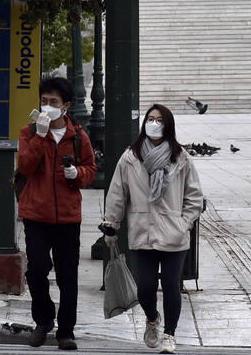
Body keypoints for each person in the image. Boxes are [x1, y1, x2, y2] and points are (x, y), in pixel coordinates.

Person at [102, 104, 203, 354]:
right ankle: (152, 318)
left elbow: (194, 197)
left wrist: (184, 223)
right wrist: (111, 225)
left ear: (168, 125)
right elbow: (117, 193)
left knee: (171, 285)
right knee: (145, 287)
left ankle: (170, 334)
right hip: (142, 232)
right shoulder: (130, 157)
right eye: (150, 119)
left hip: (174, 235)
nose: (154, 123)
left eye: (159, 120)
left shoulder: (181, 158)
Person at [17, 76, 97, 351]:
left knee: (67, 276)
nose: (47, 106)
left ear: (66, 106)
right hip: (36, 215)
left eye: (53, 102)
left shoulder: (78, 137)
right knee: (37, 269)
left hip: (67, 217)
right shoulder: (29, 133)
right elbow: (25, 167)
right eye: (44, 101)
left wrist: (78, 174)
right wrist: (40, 136)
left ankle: (66, 330)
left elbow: (91, 169)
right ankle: (43, 320)